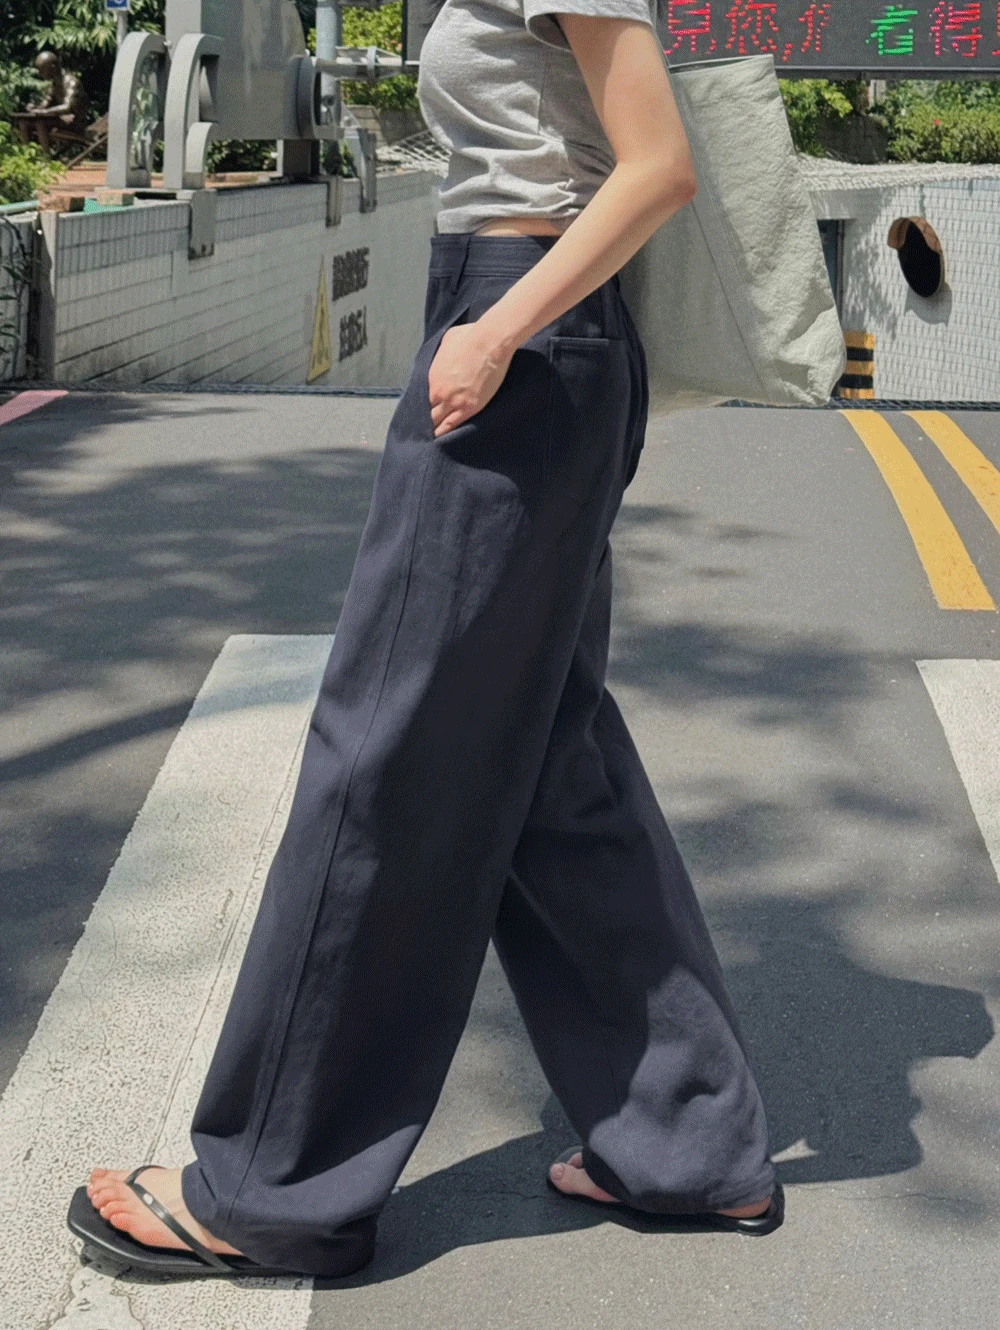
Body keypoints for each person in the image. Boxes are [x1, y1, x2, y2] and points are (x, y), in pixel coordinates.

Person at [69, 0, 783, 1280]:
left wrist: (496, 332)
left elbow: (656, 167)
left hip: (524, 333)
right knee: (553, 762)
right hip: (526, 326)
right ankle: (686, 1140)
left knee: (385, 750)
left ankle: (273, 1190)